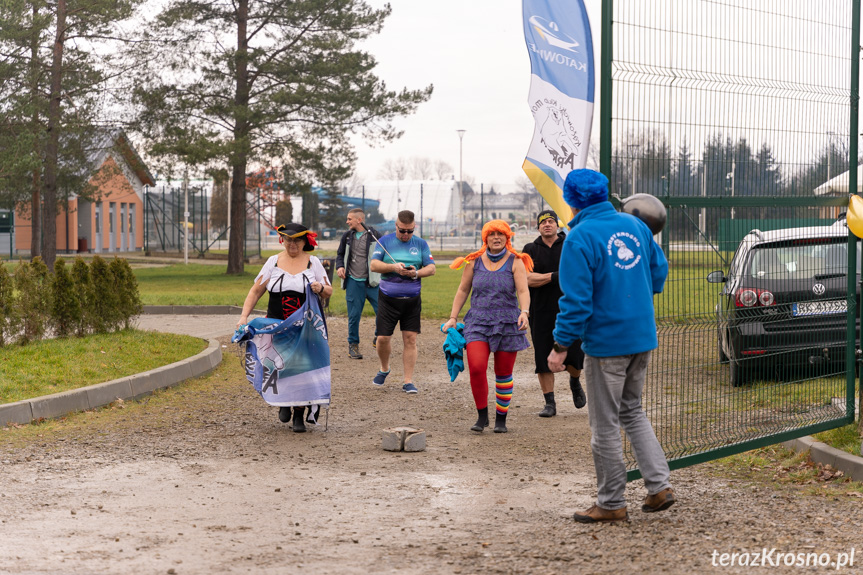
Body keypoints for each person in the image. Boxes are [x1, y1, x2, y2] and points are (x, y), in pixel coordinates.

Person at [547, 169, 675, 523]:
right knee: (631, 410)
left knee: (604, 424)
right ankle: (659, 487)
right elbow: (659, 272)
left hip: (606, 344)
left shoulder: (578, 238)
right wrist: (631, 297)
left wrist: (559, 346)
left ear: (570, 201)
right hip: (641, 336)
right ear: (606, 195)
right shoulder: (635, 226)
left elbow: (576, 303)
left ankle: (611, 502)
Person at [237, 223, 333, 432]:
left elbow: (329, 291)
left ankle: (299, 413)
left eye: (297, 240)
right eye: (288, 240)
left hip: (305, 327)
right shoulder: (273, 262)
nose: (292, 244)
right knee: (278, 365)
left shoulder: (312, 262)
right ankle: (284, 403)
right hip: (277, 326)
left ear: (304, 241)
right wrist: (244, 316)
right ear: (283, 240)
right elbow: (255, 291)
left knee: (301, 368)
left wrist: (320, 287)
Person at [443, 220, 533, 434]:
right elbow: (463, 290)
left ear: (507, 238)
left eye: (500, 234)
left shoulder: (516, 261)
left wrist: (524, 312)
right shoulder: (473, 261)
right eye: (492, 234)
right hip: (478, 321)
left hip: (507, 322)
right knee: (476, 367)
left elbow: (522, 291)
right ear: (485, 238)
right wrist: (453, 317)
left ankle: (501, 419)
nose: (496, 237)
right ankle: (482, 416)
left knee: (503, 373)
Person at [522, 209, 586, 418]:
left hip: (570, 309)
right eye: (543, 222)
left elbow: (579, 274)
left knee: (576, 353)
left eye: (551, 221)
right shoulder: (530, 249)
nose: (547, 224)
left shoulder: (570, 245)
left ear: (557, 225)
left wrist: (546, 278)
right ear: (538, 226)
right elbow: (527, 279)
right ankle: (550, 402)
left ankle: (575, 381)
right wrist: (555, 276)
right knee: (542, 356)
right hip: (539, 311)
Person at [369, 210, 436, 394]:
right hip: (388, 300)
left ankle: (408, 381)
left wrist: (415, 273)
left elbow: (431, 268)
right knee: (382, 339)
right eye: (402, 231)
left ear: (414, 228)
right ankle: (384, 369)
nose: (406, 235)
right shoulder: (384, 242)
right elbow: (374, 265)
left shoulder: (421, 244)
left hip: (412, 300)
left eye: (410, 231)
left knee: (410, 339)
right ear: (396, 226)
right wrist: (393, 267)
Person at [336, 208, 381, 360]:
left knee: (384, 312)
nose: (347, 221)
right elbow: (340, 254)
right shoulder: (347, 236)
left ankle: (378, 337)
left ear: (359, 220)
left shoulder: (374, 235)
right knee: (354, 316)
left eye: (350, 219)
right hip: (354, 282)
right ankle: (353, 345)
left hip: (373, 282)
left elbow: (385, 254)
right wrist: (340, 266)